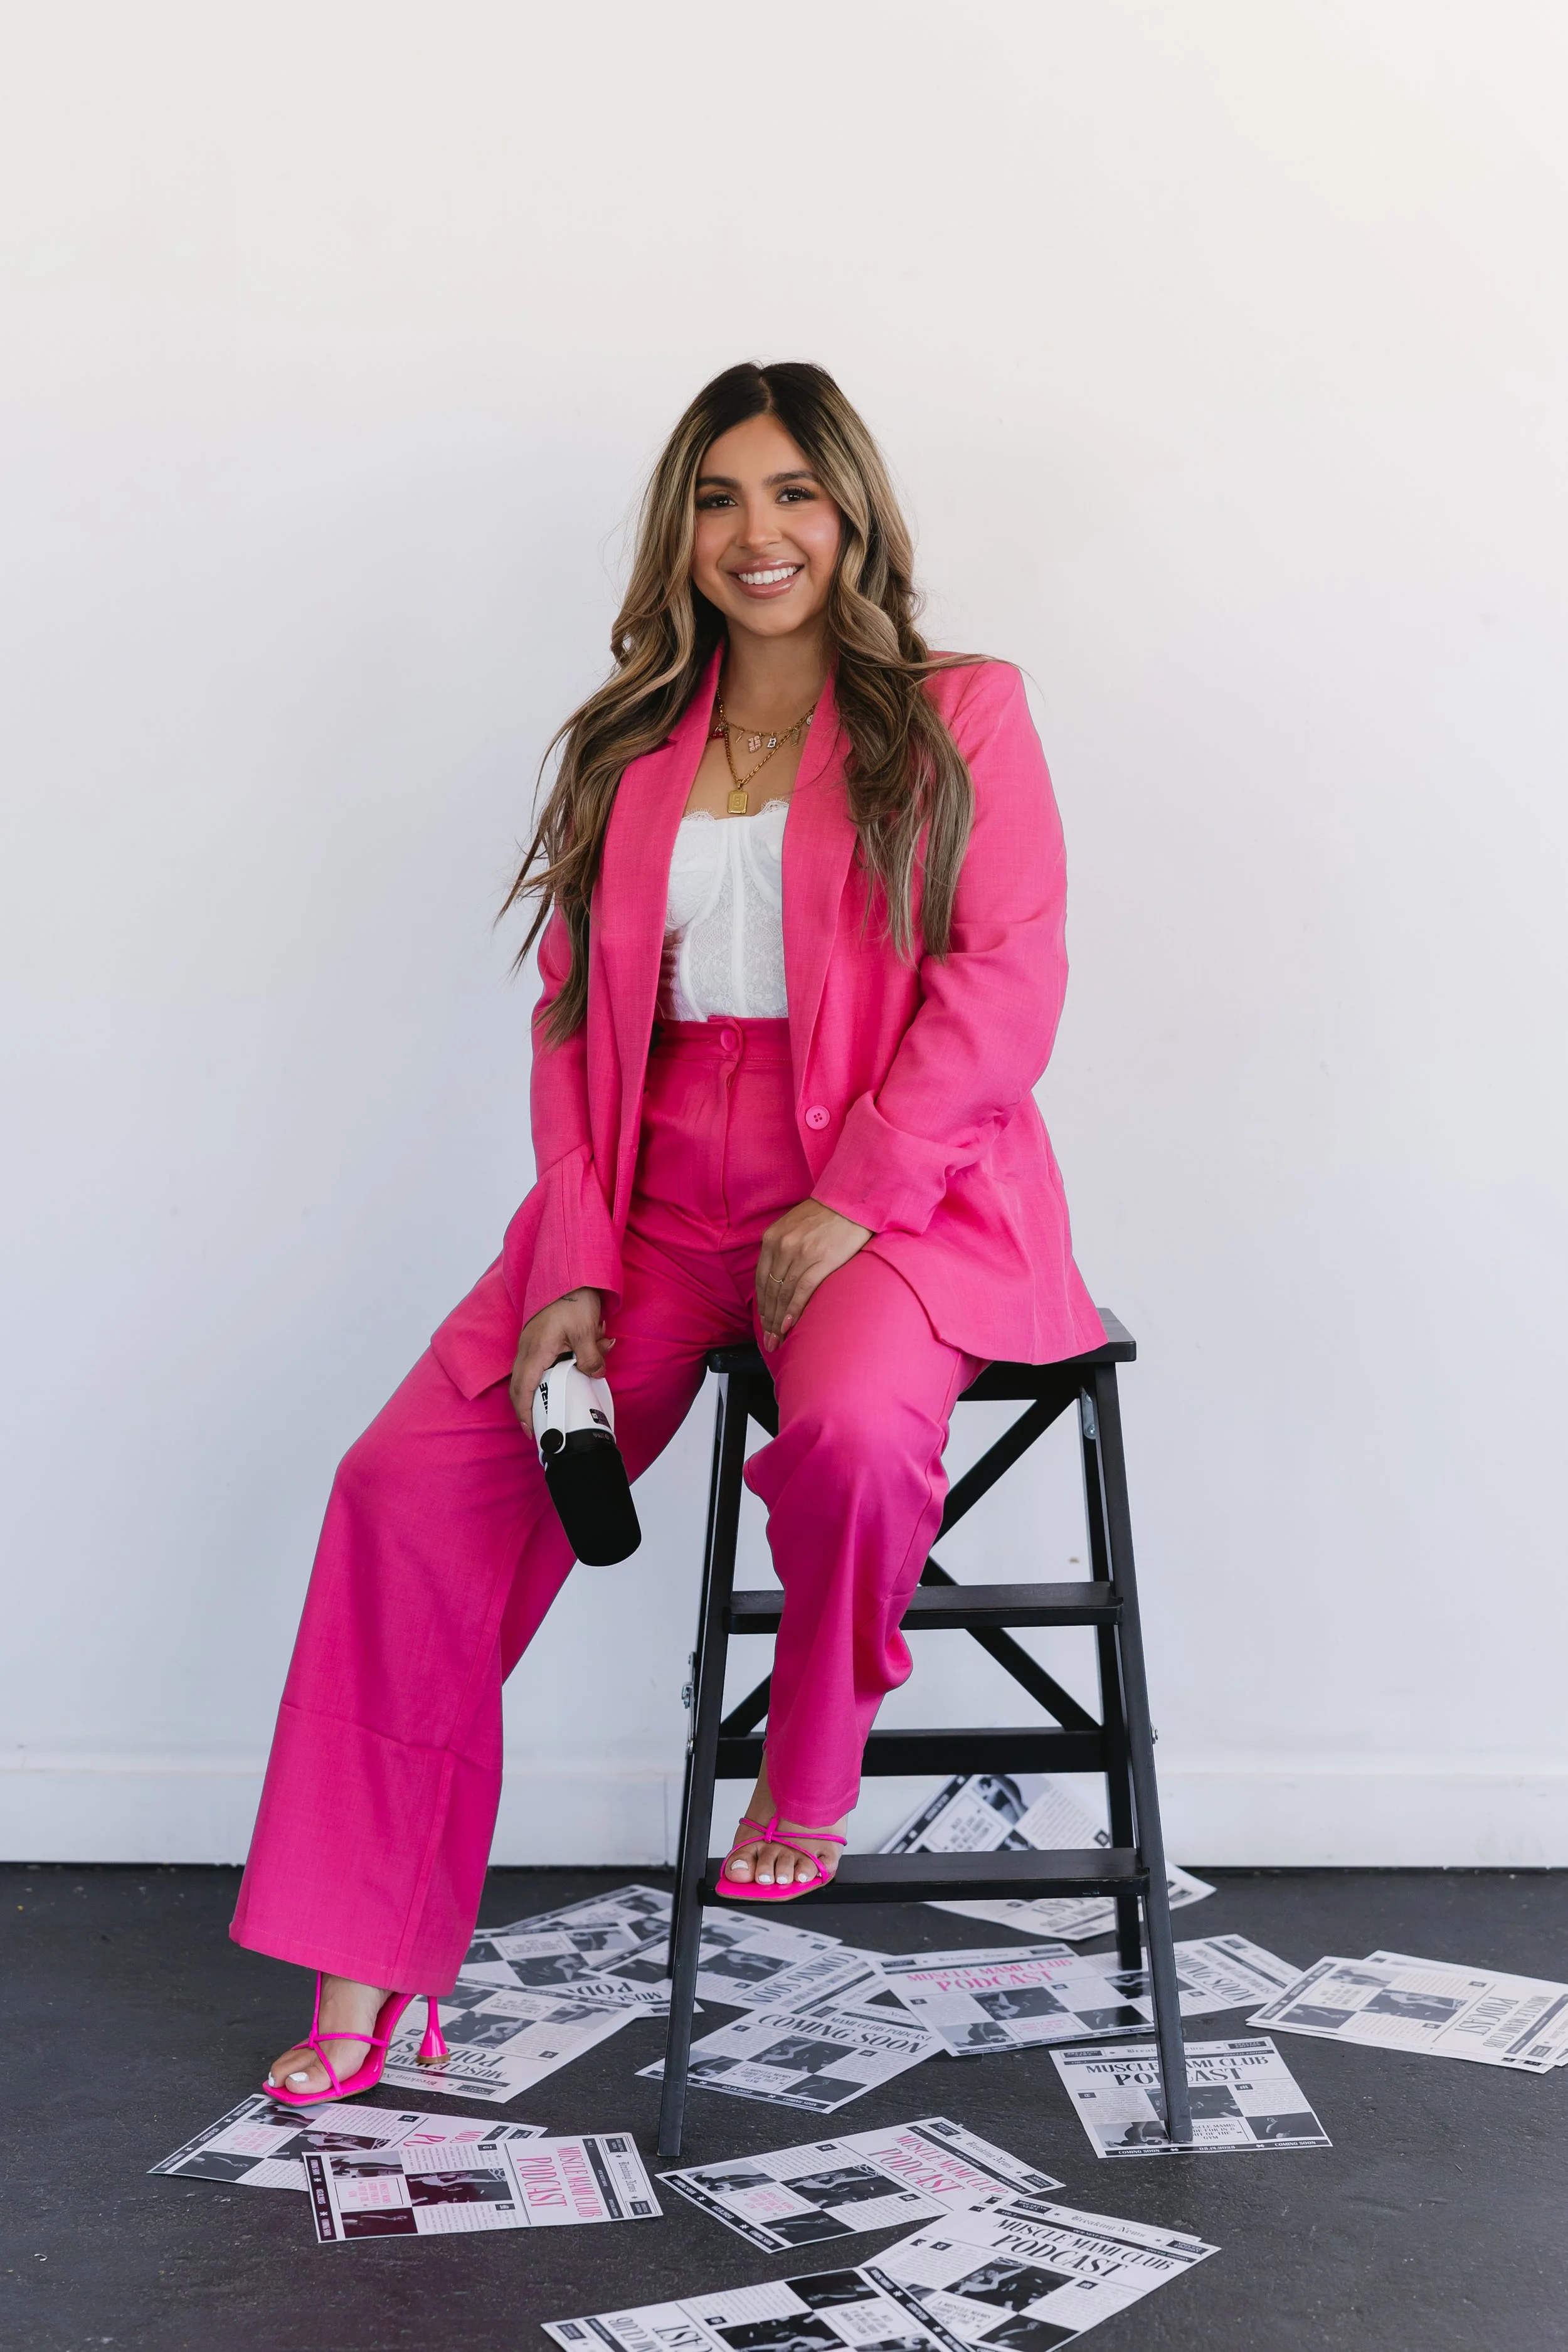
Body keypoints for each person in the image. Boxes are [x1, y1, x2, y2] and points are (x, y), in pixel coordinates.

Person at [232, 359, 1105, 2101]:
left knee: (854, 1432)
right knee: (404, 1487)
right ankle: (373, 1965)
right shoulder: (631, 745)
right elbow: (569, 1022)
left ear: (849, 509)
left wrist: (850, 1198)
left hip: (890, 1179)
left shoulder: (965, 711)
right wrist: (570, 1255)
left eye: (790, 492)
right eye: (717, 499)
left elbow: (1004, 984)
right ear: (679, 531)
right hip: (640, 1195)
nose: (754, 533)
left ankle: (809, 1763)